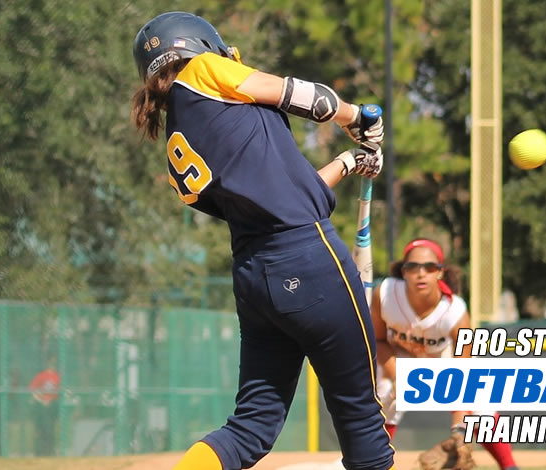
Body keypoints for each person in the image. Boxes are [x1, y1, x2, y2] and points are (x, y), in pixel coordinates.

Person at [129, 11, 394, 470]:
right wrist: (359, 117)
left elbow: (287, 193)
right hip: (309, 258)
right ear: (199, 45)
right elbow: (297, 93)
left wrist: (349, 163)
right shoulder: (204, 72)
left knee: (250, 427)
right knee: (362, 420)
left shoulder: (179, 135)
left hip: (256, 276)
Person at [372, 239, 520, 470]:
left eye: (429, 267)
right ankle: (370, 463)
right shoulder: (386, 294)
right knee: (386, 391)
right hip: (399, 354)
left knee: (481, 401)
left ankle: (510, 466)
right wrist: (397, 376)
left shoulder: (455, 311)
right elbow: (378, 340)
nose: (421, 273)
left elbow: (463, 374)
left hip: (443, 356)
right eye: (413, 267)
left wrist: (458, 432)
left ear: (440, 272)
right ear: (403, 271)